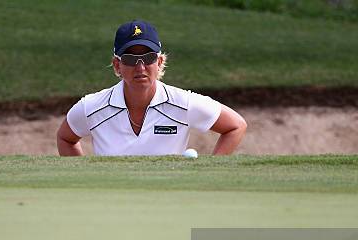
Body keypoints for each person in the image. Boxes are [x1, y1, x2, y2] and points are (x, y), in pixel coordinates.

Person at [56, 20, 247, 156]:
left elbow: (236, 126)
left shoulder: (183, 103)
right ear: (117, 65)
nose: (140, 67)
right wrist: (88, 181)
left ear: (159, 62)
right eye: (130, 59)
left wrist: (210, 173)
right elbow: (65, 138)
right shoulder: (91, 106)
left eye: (148, 58)